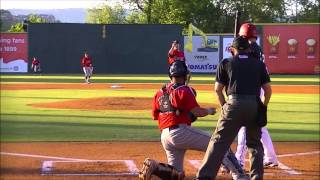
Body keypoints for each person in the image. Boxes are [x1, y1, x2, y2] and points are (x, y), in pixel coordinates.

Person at [139, 61, 248, 180]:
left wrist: (183, 114)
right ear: (184, 75)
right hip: (179, 132)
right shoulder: (184, 90)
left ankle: (156, 168)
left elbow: (155, 115)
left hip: (165, 136)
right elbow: (197, 112)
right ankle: (240, 176)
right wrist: (209, 111)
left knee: (177, 174)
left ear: (171, 75)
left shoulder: (159, 93)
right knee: (219, 144)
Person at [195, 36, 272, 180]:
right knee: (255, 144)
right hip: (254, 105)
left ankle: (204, 177)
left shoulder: (225, 63)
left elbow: (218, 89)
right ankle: (256, 177)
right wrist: (262, 106)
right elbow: (268, 90)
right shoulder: (259, 64)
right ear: (249, 49)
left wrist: (225, 106)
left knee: (218, 142)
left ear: (232, 50)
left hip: (233, 103)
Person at [236, 23, 279, 168]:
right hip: (260, 86)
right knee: (260, 126)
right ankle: (271, 157)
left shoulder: (248, 48)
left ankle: (239, 161)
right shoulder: (258, 48)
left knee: (243, 125)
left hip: (250, 88)